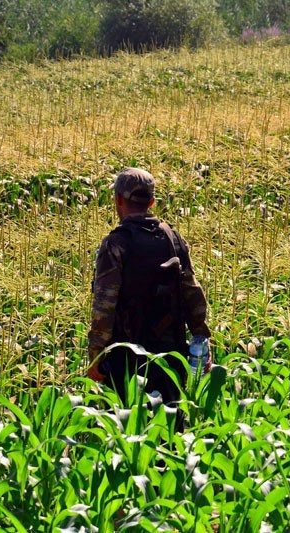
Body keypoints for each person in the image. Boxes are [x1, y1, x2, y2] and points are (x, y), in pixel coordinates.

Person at [86, 167, 212, 409]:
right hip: (171, 356)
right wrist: (202, 340)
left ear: (118, 199)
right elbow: (193, 294)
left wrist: (97, 354)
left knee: (127, 423)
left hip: (126, 360)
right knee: (170, 422)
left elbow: (104, 306)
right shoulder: (173, 238)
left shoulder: (115, 244)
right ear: (152, 202)